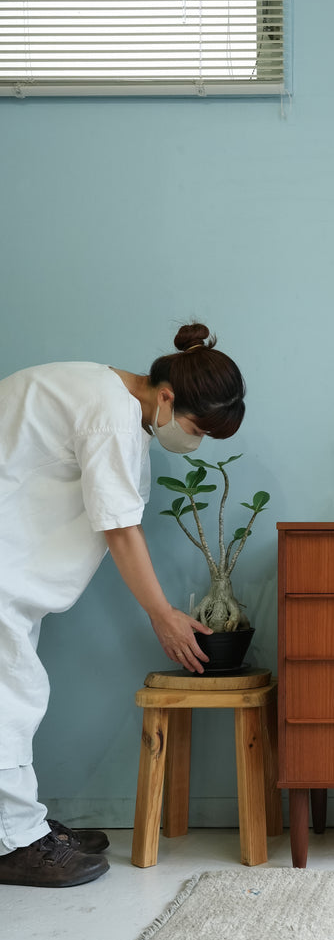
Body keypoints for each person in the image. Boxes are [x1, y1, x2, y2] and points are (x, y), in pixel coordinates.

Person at [0, 323, 246, 889]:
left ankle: (21, 827)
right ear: (167, 396)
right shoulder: (109, 414)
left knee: (13, 692)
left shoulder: (104, 391)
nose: (195, 443)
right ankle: (17, 840)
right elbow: (118, 526)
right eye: (195, 428)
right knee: (14, 696)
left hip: (14, 564)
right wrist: (161, 613)